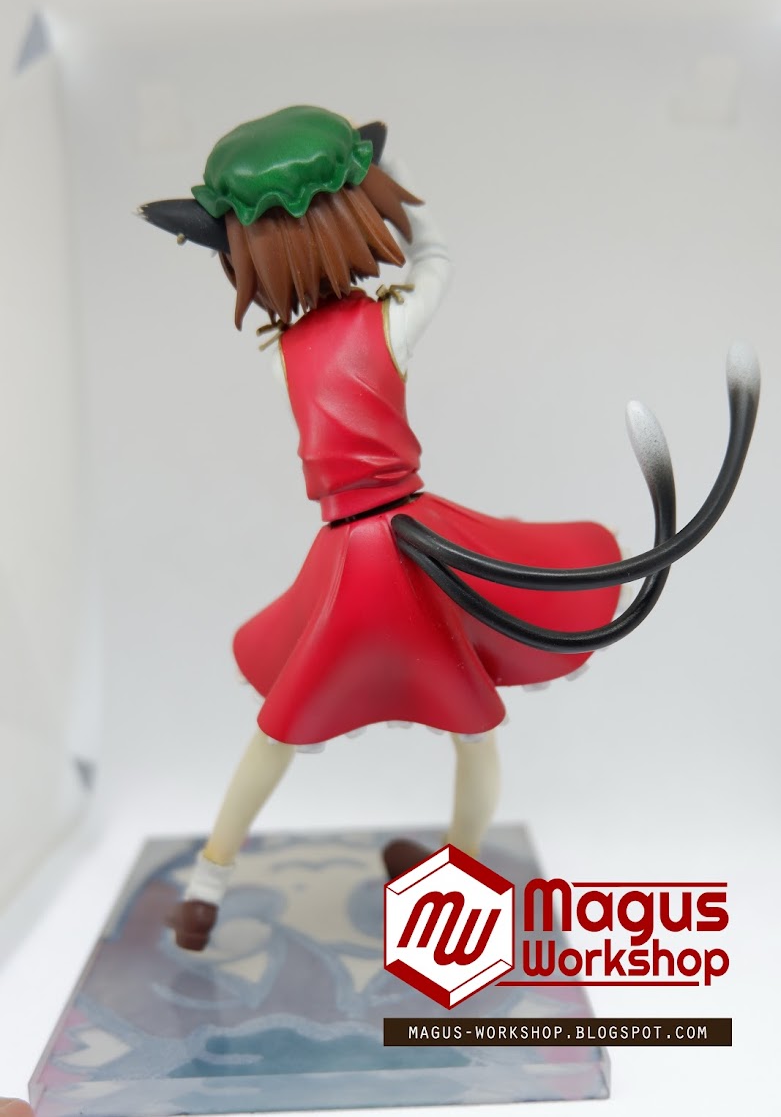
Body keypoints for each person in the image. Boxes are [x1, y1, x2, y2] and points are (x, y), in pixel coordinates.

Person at [140, 105, 757, 951]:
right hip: (410, 547)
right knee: (472, 728)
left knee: (280, 726)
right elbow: (437, 259)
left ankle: (207, 887)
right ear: (353, 218)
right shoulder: (388, 321)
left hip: (349, 556)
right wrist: (395, 192)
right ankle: (455, 882)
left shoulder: (285, 348)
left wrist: (372, 192)